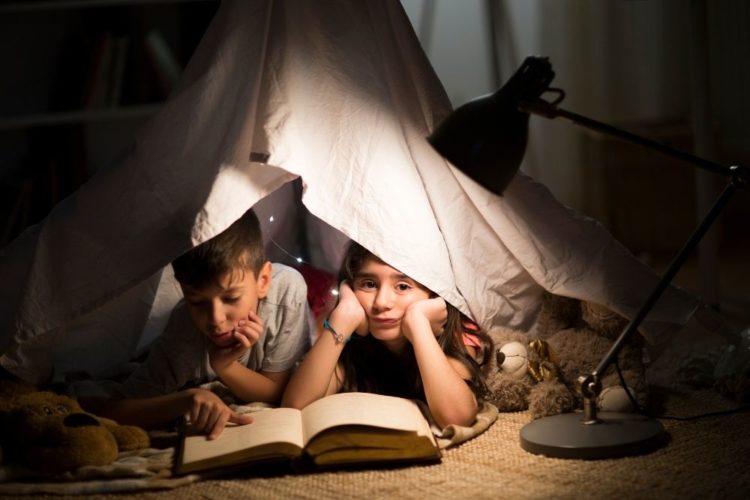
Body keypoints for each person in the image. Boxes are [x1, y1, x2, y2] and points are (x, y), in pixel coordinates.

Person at [94, 208, 310, 439]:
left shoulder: (286, 291)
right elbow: (117, 410)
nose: (215, 319)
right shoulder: (185, 330)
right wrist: (186, 400)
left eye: (230, 298)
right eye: (196, 301)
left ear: (263, 280)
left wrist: (225, 366)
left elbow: (276, 392)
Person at [282, 241, 491, 428]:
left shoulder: (456, 331)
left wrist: (419, 325)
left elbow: (458, 417)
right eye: (369, 284)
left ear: (433, 294)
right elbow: (295, 407)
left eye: (402, 286)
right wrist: (343, 318)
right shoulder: (349, 335)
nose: (382, 303)